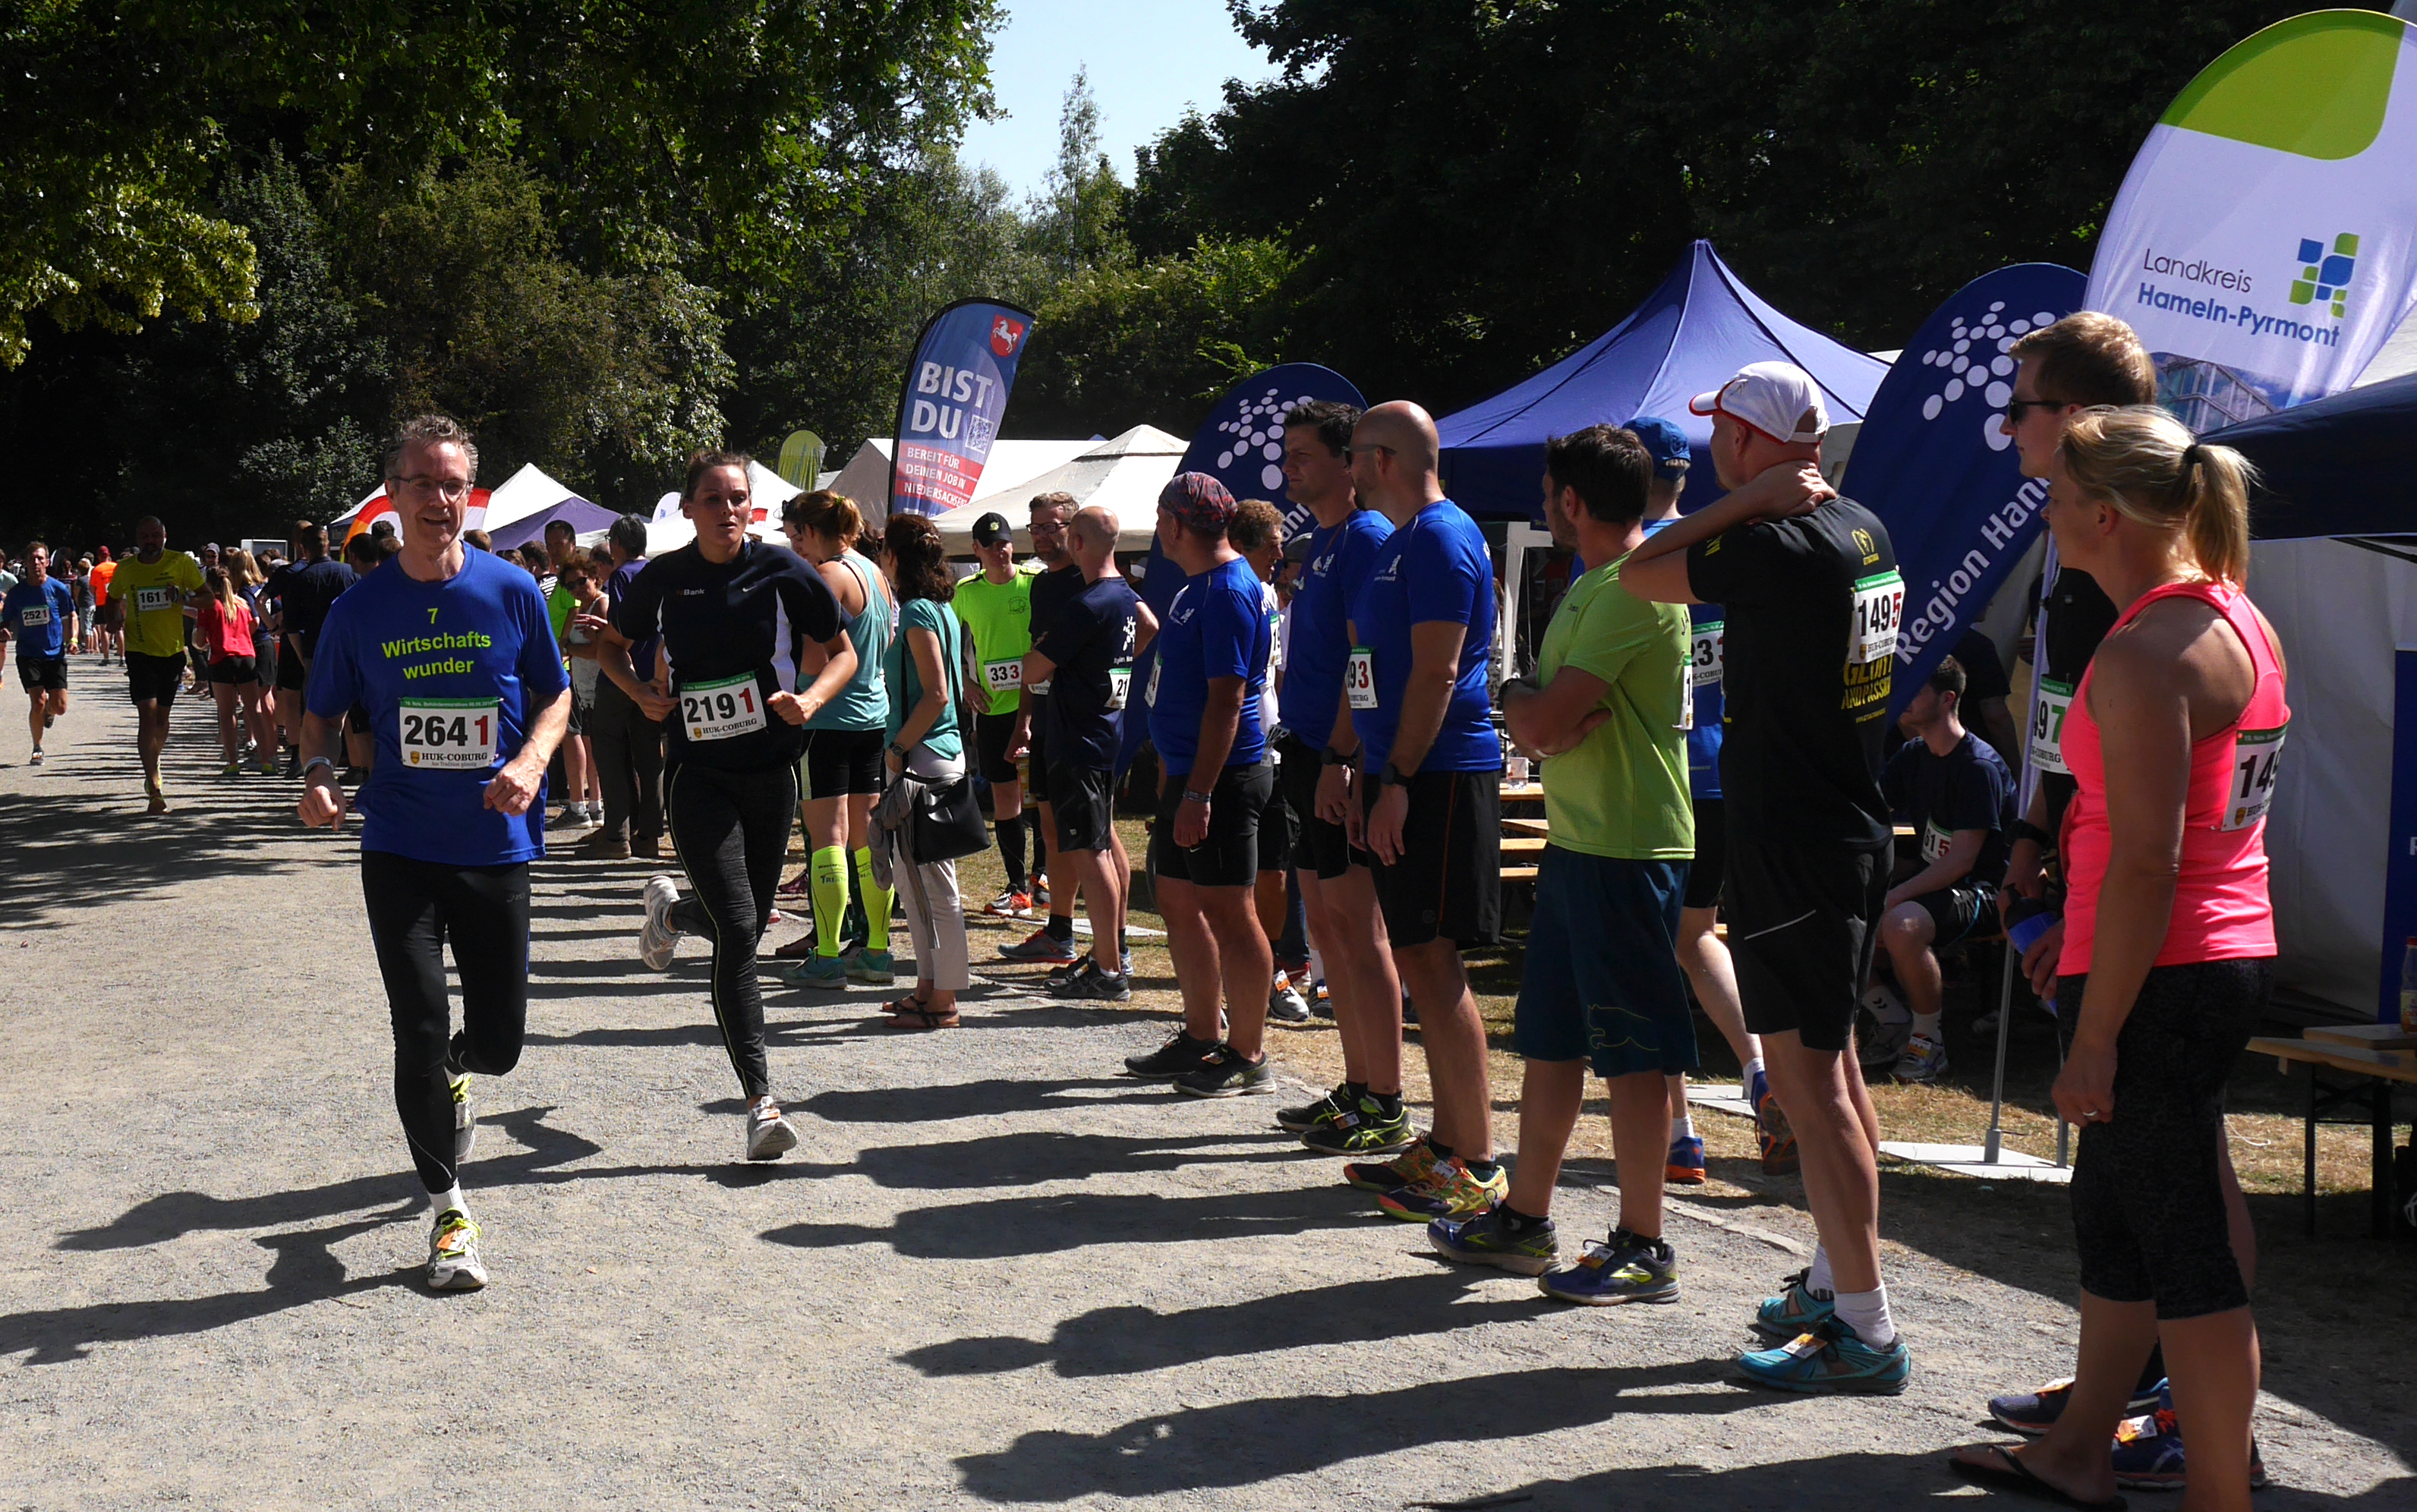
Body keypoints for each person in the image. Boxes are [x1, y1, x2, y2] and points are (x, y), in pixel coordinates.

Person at [1950, 408, 2282, 1512]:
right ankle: (2078, 1449)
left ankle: (2219, 1493)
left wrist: (2096, 1038)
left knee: (2183, 1242)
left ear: (2105, 514)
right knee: (2118, 1216)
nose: (2043, 511)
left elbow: (2150, 861)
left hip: (2167, 973)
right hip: (2192, 957)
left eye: (2056, 495)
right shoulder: (2231, 618)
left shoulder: (2150, 651)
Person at [1621, 360, 1911, 1391]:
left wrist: (1740, 506)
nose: (1711, 449)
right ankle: (1839, 1282)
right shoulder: (1862, 524)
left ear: (1748, 441)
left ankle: (1865, 1325)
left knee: (1810, 1086)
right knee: (1834, 1074)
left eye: (1721, 434)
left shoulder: (1772, 541)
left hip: (1796, 839)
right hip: (1847, 823)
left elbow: (1639, 567)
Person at [295, 414, 572, 1292]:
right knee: (415, 1027)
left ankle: (460, 1069)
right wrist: (316, 773)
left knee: (498, 1044)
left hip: (495, 845)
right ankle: (450, 1212)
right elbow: (319, 717)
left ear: (467, 496)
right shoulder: (358, 609)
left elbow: (556, 697)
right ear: (394, 495)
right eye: (422, 483)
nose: (439, 499)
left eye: (453, 485)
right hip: (401, 847)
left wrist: (532, 761)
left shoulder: (512, 590)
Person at [1433, 424, 1697, 1299]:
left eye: (1550, 494)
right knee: (1550, 1040)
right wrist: (1527, 705)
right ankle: (1525, 1218)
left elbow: (1542, 725)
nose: (1544, 506)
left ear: (1573, 502)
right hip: (1582, 841)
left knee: (1632, 1053)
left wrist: (1523, 705)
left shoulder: (1629, 589)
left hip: (1629, 845)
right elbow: (1538, 718)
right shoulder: (1595, 583)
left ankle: (1643, 1242)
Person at [609, 450, 858, 1161]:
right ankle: (761, 1104)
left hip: (771, 772)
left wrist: (811, 700)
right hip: (698, 776)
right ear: (689, 508)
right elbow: (610, 646)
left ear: (754, 507)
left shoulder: (783, 569)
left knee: (736, 917)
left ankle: (671, 914)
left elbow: (842, 652)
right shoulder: (664, 577)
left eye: (738, 498)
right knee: (743, 928)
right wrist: (639, 693)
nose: (728, 510)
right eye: (713, 499)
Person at [1319, 402, 1505, 1222]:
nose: (1348, 468)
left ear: (1383, 460)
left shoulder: (1440, 537)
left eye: (1354, 454)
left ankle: (1477, 1161)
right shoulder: (1402, 540)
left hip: (1437, 772)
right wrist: (1356, 763)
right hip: (1395, 769)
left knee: (1433, 959)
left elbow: (1438, 670)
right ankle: (1445, 1141)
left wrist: (1395, 777)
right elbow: (1372, 665)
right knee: (1418, 959)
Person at [1624, 416, 1791, 1183]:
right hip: (1724, 773)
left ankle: (1680, 1130)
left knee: (1651, 949)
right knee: (1696, 937)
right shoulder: (1724, 545)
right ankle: (1759, 1074)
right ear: (1684, 474)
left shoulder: (1637, 558)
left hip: (1658, 780)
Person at [1271, 400, 1415, 1158]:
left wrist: (1345, 758)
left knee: (1361, 931)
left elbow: (1368, 662)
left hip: (1339, 758)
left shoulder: (1365, 537)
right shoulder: (1322, 540)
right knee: (1328, 927)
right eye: (1286, 455)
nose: (1289, 467)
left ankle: (1385, 1099)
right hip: (1305, 753)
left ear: (1346, 461)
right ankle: (1357, 1086)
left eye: (1303, 454)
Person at [1123, 473, 1276, 1095]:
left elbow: (1228, 701)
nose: (1159, 528)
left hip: (1224, 777)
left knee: (1232, 913)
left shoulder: (1229, 591)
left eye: (1161, 517)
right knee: (1179, 902)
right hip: (1189, 772)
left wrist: (1199, 793)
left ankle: (1249, 1054)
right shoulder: (1198, 586)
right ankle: (1201, 1035)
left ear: (1175, 523)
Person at [1022, 505, 1148, 1001]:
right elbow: (1150, 626)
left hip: (1079, 738)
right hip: (1104, 731)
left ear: (1077, 542)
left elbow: (1033, 669)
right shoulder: (1124, 594)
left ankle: (1110, 967)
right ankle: (1109, 954)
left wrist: (1055, 652)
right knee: (1102, 842)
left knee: (1090, 852)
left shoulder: (1088, 603)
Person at [779, 490, 899, 990]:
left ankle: (827, 955)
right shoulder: (876, 573)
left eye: (797, 537)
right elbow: (886, 640)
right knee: (866, 841)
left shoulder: (827, 575)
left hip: (827, 718)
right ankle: (877, 951)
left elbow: (814, 657)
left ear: (810, 531)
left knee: (826, 837)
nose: (796, 548)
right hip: (872, 716)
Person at [1875, 655, 2015, 1085]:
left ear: (1947, 698)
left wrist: (1894, 895)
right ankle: (1891, 1020)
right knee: (1835, 904)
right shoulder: (1914, 754)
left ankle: (1928, 1042)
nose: (1903, 697)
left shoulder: (1978, 767)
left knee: (1901, 923)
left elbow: (1962, 861)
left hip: (1985, 891)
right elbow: (1872, 807)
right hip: (1935, 881)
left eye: (1915, 688)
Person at [872, 513, 975, 1028]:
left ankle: (944, 999)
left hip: (922, 759)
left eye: (882, 549)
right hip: (935, 755)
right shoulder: (941, 609)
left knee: (933, 887)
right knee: (916, 885)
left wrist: (897, 748)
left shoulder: (916, 611)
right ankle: (928, 988)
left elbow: (935, 693)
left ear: (894, 556)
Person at [1227, 498, 1312, 1026]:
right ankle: (1232, 980)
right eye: (1274, 545)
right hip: (1233, 754)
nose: (1281, 555)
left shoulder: (1269, 598)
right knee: (1232, 877)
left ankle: (1276, 969)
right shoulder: (1225, 592)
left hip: (1272, 750)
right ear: (1244, 544)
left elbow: (1272, 678)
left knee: (1276, 869)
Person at [1000, 493, 1083, 965]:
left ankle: (1112, 947)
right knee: (1051, 830)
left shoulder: (1091, 580)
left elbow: (1143, 626)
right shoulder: (1043, 585)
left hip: (1082, 723)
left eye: (1052, 527)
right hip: (1046, 720)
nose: (1043, 536)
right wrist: (1023, 723)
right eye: (1036, 528)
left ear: (1074, 528)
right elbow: (1034, 658)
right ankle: (1059, 930)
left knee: (1094, 838)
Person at [956, 512, 1041, 917]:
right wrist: (965, 683)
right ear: (976, 550)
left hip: (1038, 704)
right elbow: (945, 639)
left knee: (1041, 795)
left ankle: (1043, 876)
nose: (999, 550)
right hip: (993, 710)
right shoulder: (966, 592)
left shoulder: (1034, 583)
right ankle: (1016, 886)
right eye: (990, 545)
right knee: (1006, 797)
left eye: (1004, 543)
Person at [575, 515, 666, 862]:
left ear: (616, 544)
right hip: (655, 675)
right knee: (649, 757)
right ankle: (649, 835)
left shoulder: (622, 576)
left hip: (622, 674)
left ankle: (617, 834)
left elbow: (621, 629)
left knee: (610, 751)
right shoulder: (657, 573)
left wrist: (604, 631)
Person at [107, 516, 207, 814]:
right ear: (137, 539)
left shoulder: (181, 563)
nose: (149, 541)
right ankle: (154, 786)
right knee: (147, 716)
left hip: (172, 652)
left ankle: (154, 758)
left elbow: (209, 599)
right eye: (144, 536)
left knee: (162, 720)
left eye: (155, 535)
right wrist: (113, 620)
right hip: (139, 651)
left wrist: (182, 597)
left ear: (165, 535)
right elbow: (112, 598)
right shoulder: (126, 568)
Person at [271, 521, 358, 776]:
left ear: (303, 548)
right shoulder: (349, 573)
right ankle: (356, 765)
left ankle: (319, 768)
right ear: (328, 545)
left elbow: (292, 627)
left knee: (318, 716)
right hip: (349, 652)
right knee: (352, 714)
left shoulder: (299, 579)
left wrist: (303, 658)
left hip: (314, 652)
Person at [540, 519, 599, 830]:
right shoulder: (562, 579)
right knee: (581, 736)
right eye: (549, 544)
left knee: (570, 734)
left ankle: (579, 807)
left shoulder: (572, 581)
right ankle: (592, 804)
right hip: (565, 665)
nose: (553, 549)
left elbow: (577, 608)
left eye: (558, 543)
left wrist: (563, 644)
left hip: (566, 667)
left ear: (572, 543)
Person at [2, 543, 77, 765]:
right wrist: (3, 630)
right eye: (32, 559)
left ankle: (49, 713)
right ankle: (37, 747)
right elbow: (5, 620)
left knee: (60, 707)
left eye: (40, 559)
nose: (36, 563)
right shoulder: (17, 593)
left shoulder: (58, 589)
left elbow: (71, 615)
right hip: (28, 654)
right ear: (25, 563)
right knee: (38, 702)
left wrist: (73, 639)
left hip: (54, 654)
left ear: (47, 562)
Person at [197, 565, 269, 776]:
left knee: (227, 713)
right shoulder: (242, 604)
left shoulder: (209, 606)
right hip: (247, 657)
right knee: (254, 711)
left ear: (209, 584)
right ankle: (267, 760)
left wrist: (207, 641)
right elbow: (253, 625)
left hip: (221, 659)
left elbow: (200, 641)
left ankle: (233, 761)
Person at [227, 548, 284, 774]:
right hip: (267, 644)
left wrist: (242, 636)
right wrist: (276, 628)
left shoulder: (244, 591)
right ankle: (270, 751)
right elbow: (280, 610)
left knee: (260, 704)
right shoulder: (261, 587)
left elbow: (254, 619)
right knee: (267, 701)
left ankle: (267, 754)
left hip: (256, 645)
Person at [89, 547, 118, 663]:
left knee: (104, 630)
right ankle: (122, 657)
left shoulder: (96, 570)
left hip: (102, 602)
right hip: (116, 600)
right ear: (109, 555)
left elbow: (92, 589)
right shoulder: (116, 567)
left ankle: (106, 658)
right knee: (119, 629)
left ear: (98, 557)